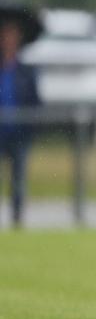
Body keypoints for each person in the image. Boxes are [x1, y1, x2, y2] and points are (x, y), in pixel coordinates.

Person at [0, 20, 40, 227]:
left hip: (18, 132)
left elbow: (35, 101)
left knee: (18, 180)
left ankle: (17, 219)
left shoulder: (25, 70)